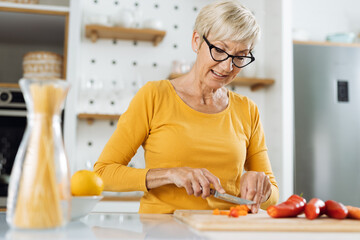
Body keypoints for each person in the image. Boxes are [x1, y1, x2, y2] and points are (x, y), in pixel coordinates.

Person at [94, 0, 279, 214]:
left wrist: (260, 187)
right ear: (196, 41)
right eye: (219, 50)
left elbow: (273, 196)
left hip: (224, 230)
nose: (227, 66)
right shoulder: (154, 96)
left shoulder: (247, 110)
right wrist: (169, 174)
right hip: (161, 231)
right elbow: (102, 174)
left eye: (240, 57)